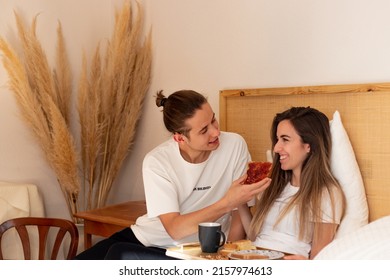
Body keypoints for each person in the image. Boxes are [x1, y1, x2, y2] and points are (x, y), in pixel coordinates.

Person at [74, 89, 271, 260]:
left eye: (213, 120)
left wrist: (226, 256)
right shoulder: (158, 161)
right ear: (179, 137)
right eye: (204, 130)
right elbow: (175, 229)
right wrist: (227, 202)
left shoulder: (234, 145)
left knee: (119, 255)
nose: (215, 132)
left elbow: (239, 215)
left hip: (200, 249)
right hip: (150, 239)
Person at [238, 106, 346, 260]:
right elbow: (256, 237)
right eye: (277, 140)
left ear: (308, 145)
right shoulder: (274, 184)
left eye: (285, 139)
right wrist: (240, 202)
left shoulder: (325, 192)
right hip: (254, 258)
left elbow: (320, 257)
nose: (276, 148)